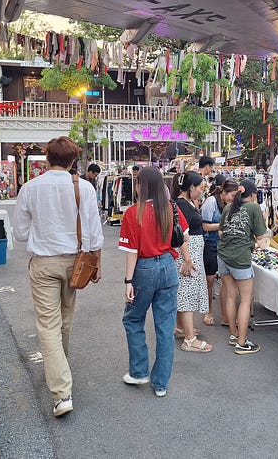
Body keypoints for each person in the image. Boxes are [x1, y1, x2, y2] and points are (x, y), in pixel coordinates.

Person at [13, 136, 104, 417]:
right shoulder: (85, 188)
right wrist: (97, 263)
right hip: (76, 262)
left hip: (44, 263)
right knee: (64, 320)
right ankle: (59, 370)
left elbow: (20, 233)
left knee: (48, 325)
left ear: (46, 158)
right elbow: (95, 232)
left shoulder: (30, 188)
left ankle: (62, 392)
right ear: (74, 161)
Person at [119, 167, 193, 398]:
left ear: (142, 185)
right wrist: (187, 260)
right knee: (165, 327)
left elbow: (131, 251)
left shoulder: (133, 213)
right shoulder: (171, 209)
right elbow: (184, 236)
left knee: (133, 319)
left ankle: (139, 371)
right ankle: (161, 383)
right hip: (169, 268)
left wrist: (128, 281)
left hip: (144, 269)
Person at [218, 179, 268, 354]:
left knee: (231, 296)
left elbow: (221, 231)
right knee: (246, 300)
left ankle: (234, 335)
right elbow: (261, 237)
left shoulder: (228, 207)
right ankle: (242, 342)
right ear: (253, 194)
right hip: (240, 257)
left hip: (223, 255)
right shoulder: (254, 207)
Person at [171, 171, 213, 353]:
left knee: (185, 292)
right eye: (200, 188)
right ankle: (189, 338)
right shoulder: (180, 205)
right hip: (187, 254)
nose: (201, 192)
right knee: (187, 292)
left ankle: (182, 328)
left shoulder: (186, 203)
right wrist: (187, 259)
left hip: (192, 252)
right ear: (191, 187)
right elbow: (182, 235)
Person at [201, 176, 238, 327]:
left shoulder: (229, 204)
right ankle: (208, 312)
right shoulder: (211, 202)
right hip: (210, 244)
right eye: (232, 195)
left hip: (225, 245)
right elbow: (205, 227)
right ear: (223, 192)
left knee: (226, 280)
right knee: (209, 280)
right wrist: (223, 225)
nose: (233, 199)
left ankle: (225, 315)